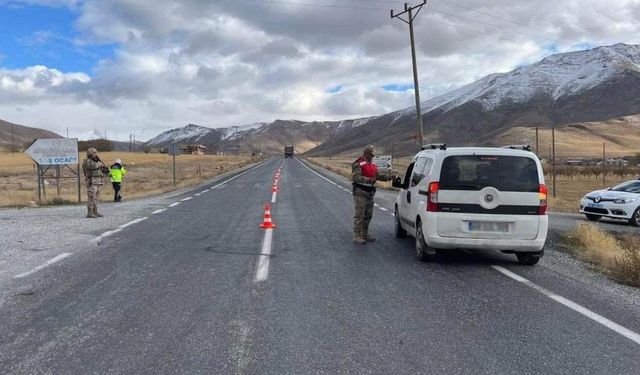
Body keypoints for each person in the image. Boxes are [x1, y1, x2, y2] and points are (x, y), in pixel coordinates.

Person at [351, 145, 397, 244]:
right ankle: (356, 235)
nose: (372, 156)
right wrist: (368, 180)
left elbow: (378, 176)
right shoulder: (358, 163)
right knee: (360, 214)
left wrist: (390, 177)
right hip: (360, 191)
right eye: (371, 155)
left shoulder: (373, 164)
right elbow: (355, 177)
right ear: (366, 153)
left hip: (370, 192)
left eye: (373, 155)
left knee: (368, 214)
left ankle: (364, 234)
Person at [82, 147, 109, 218]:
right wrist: (100, 164)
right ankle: (90, 213)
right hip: (91, 181)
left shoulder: (96, 161)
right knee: (91, 197)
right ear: (90, 153)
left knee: (96, 198)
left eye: (96, 152)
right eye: (94, 152)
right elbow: (93, 166)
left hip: (98, 181)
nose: (95, 154)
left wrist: (105, 169)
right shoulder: (87, 161)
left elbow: (102, 168)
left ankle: (95, 211)